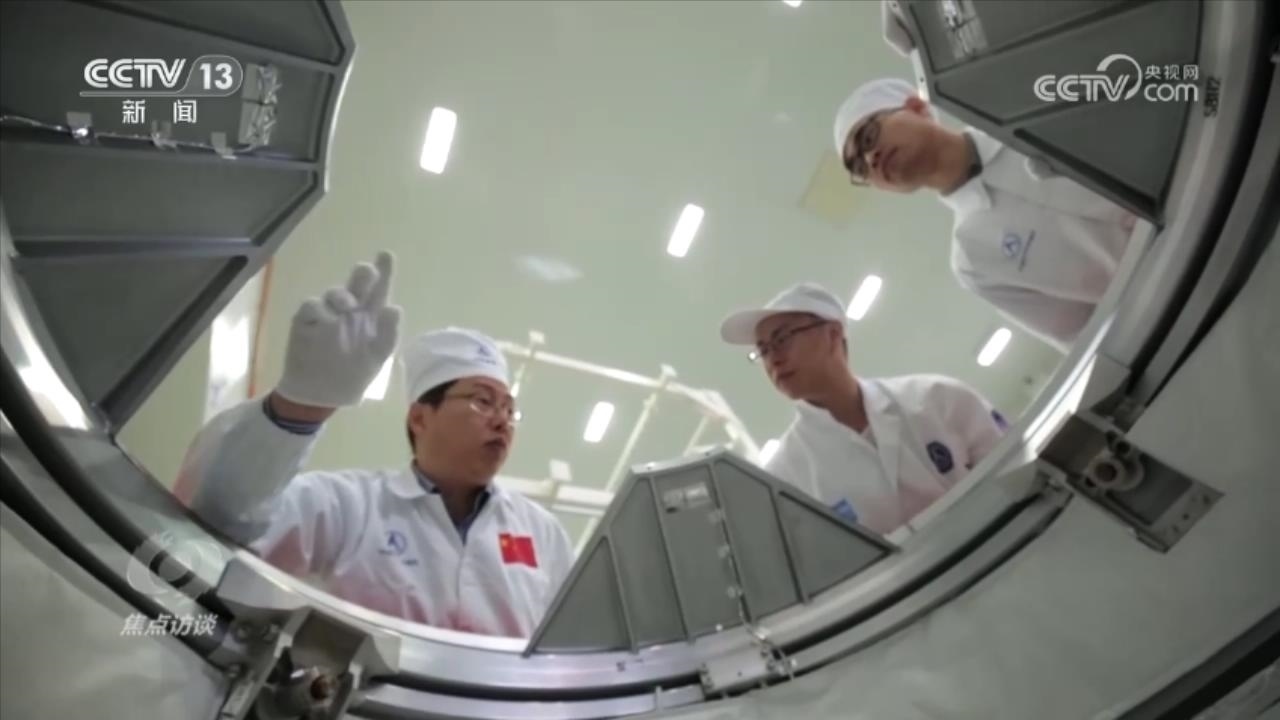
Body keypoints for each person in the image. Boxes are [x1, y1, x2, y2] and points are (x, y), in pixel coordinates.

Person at [176, 252, 574, 638]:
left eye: (509, 409)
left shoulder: (543, 532)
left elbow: (573, 644)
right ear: (420, 418)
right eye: (482, 401)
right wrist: (298, 406)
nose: (502, 420)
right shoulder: (349, 505)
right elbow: (221, 528)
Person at [832, 78, 1138, 352]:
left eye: (868, 137)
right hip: (1151, 298)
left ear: (916, 107)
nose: (870, 159)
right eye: (858, 167)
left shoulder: (1022, 116)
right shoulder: (972, 258)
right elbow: (1083, 337)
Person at [720, 282, 1008, 535]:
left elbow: (1013, 469)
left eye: (782, 339)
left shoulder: (938, 398)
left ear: (833, 334)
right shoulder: (785, 478)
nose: (773, 359)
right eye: (763, 350)